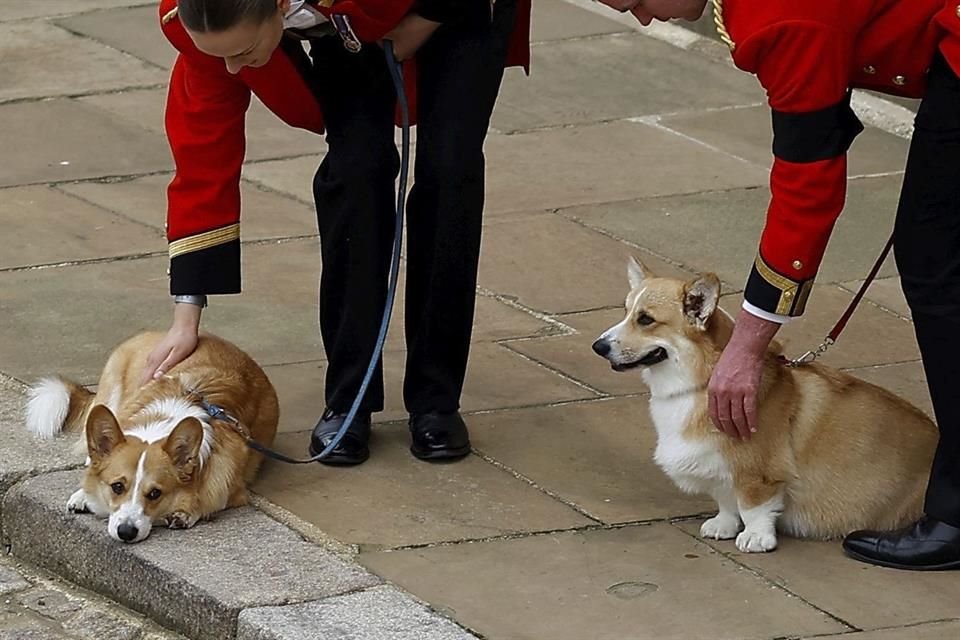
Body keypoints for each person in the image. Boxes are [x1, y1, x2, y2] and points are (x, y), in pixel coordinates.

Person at [599, 0, 960, 570]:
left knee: (937, 266)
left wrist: (744, 348)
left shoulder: (777, 18)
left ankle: (957, 512)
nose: (641, 18)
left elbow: (807, 187)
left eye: (634, 1)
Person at [144, 0, 531, 466]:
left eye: (242, 51)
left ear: (279, 5)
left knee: (450, 172)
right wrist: (186, 317)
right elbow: (202, 160)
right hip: (347, 22)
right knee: (355, 172)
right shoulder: (198, 19)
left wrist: (427, 18)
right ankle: (350, 399)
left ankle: (436, 401)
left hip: (459, 12)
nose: (231, 68)